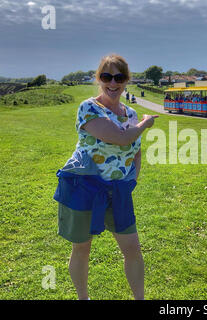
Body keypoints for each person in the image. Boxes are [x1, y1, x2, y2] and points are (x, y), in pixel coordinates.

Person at [53, 54, 158, 300]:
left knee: (133, 249)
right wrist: (145, 124)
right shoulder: (89, 107)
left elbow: (136, 149)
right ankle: (83, 298)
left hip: (119, 189)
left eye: (119, 77)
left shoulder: (130, 113)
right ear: (98, 79)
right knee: (82, 248)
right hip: (84, 187)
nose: (113, 83)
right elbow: (121, 138)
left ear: (126, 81)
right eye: (106, 76)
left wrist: (133, 180)